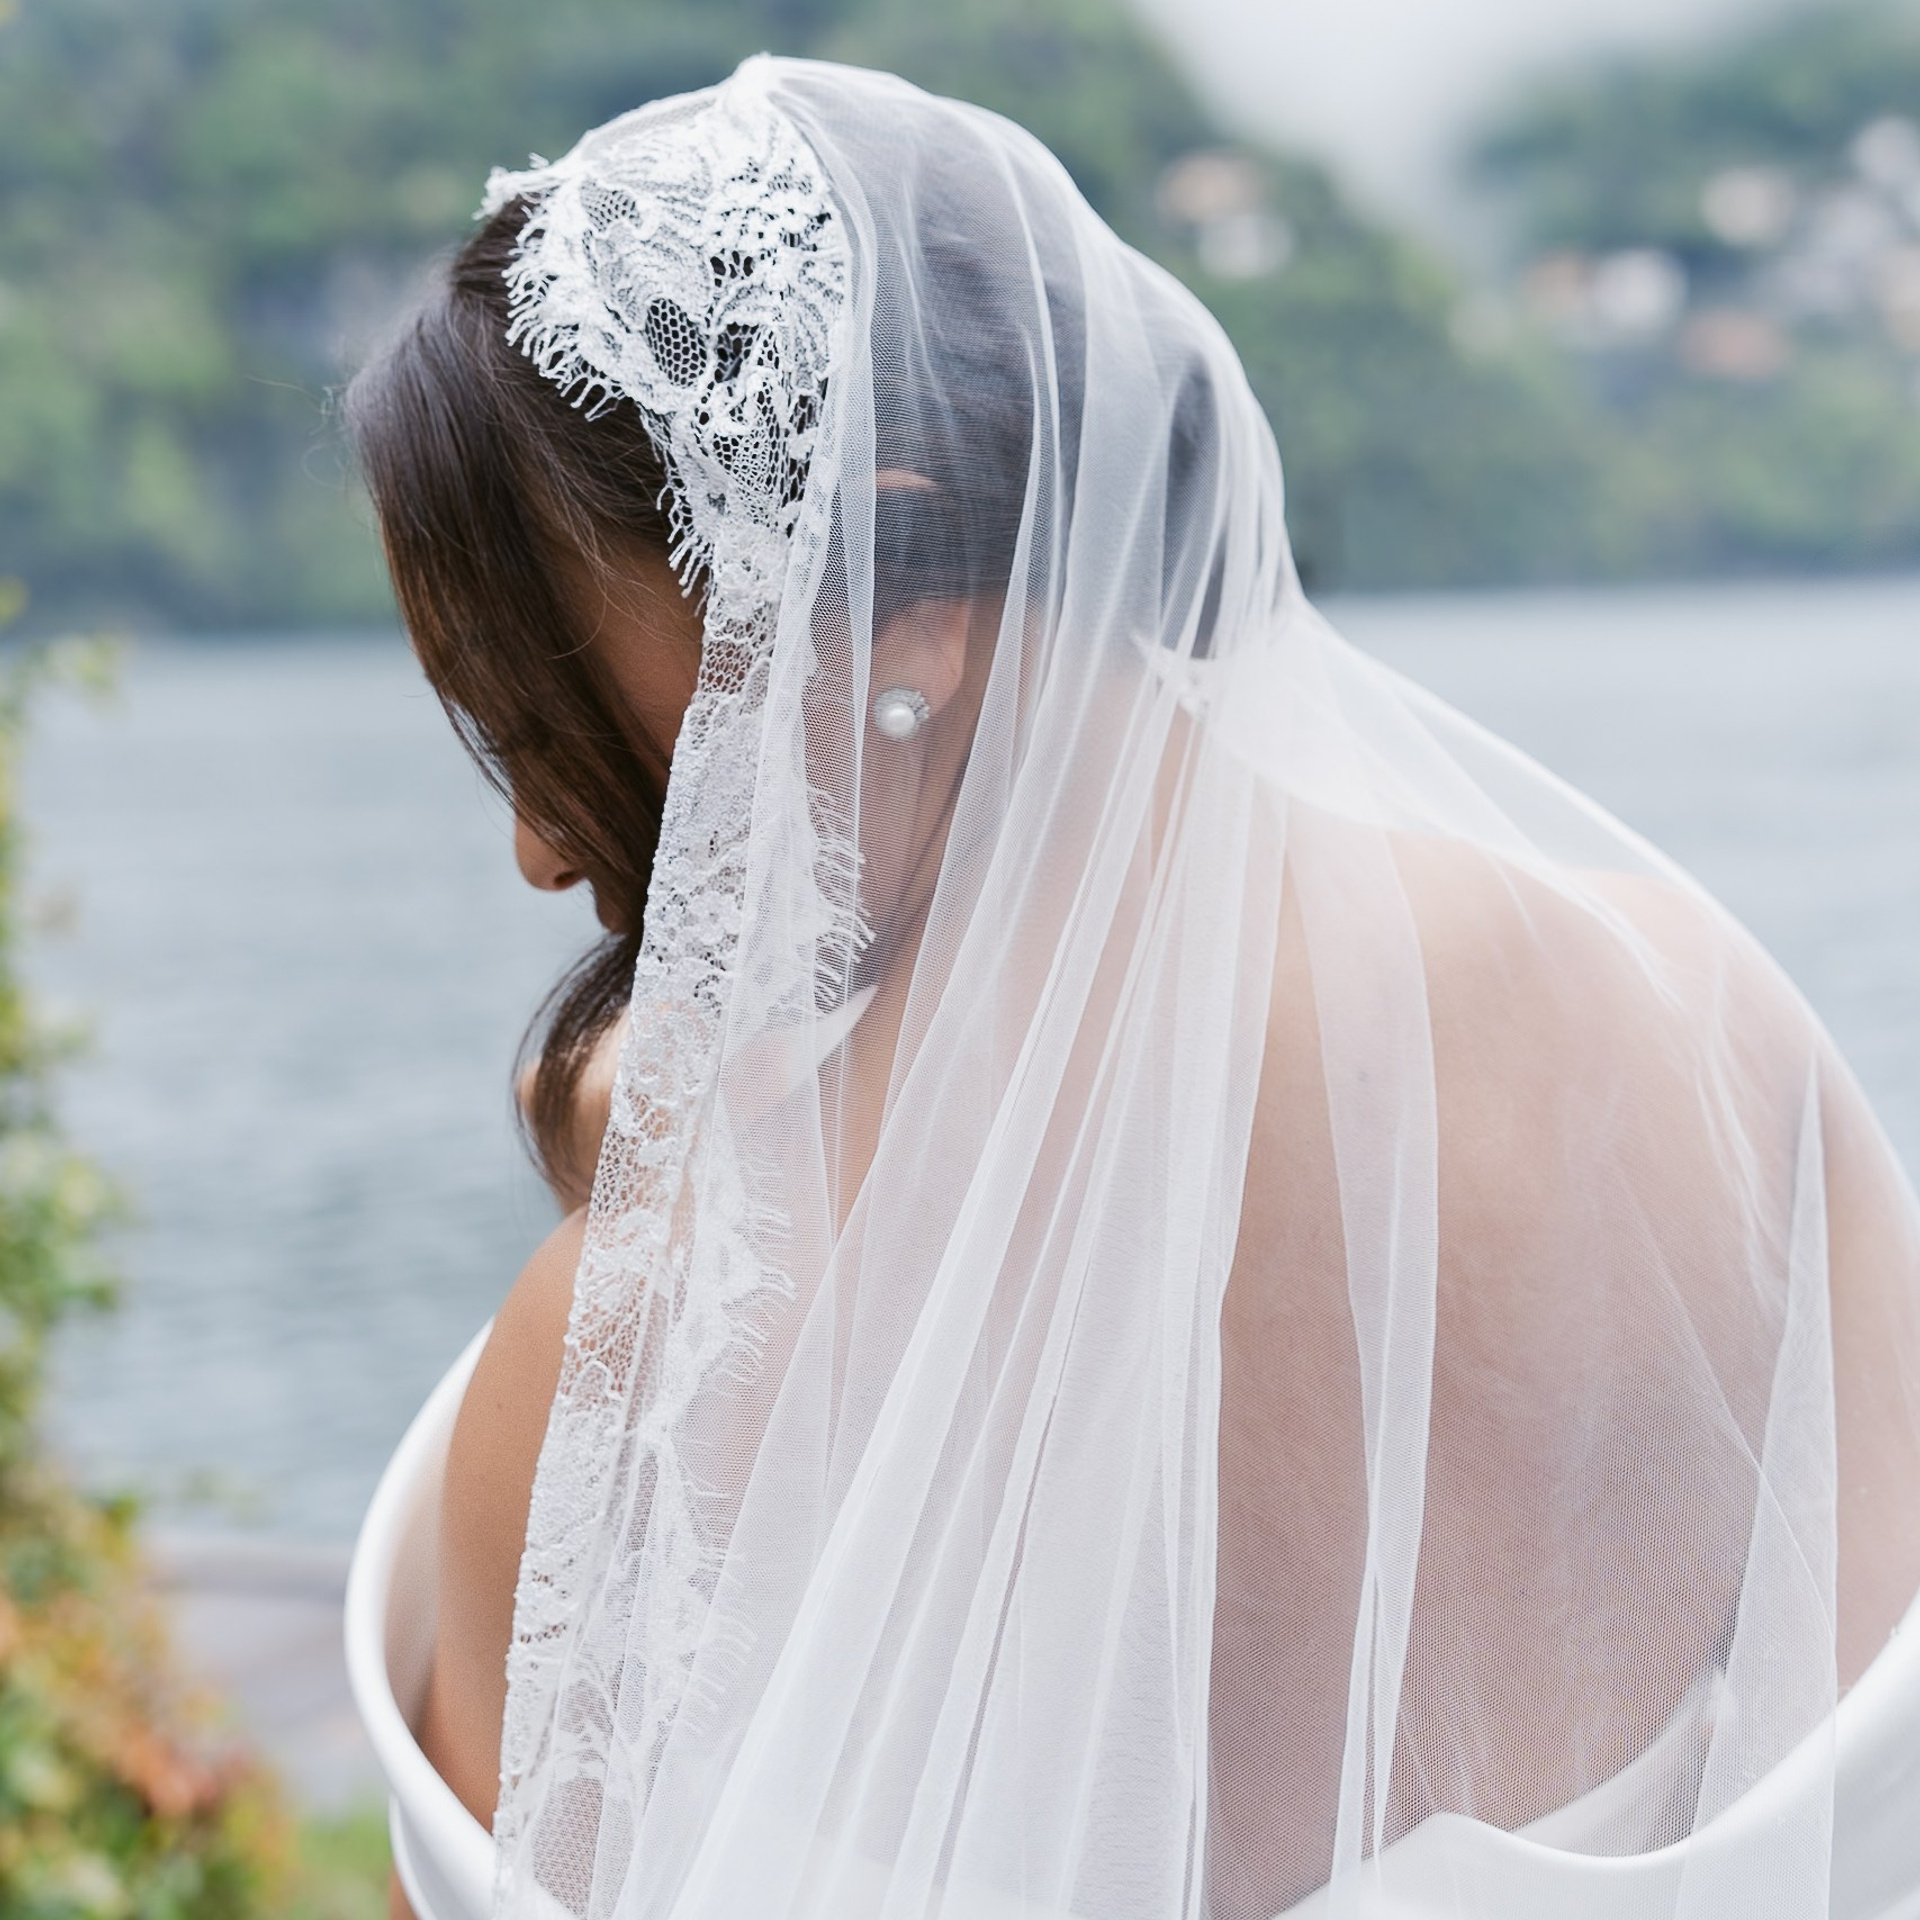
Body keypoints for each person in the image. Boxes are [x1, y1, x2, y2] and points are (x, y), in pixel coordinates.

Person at [345, 54, 1920, 1920]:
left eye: (538, 720)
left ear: (901, 610)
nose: (541, 847)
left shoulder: (633, 1375)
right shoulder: (1712, 1043)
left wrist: (667, 1229)